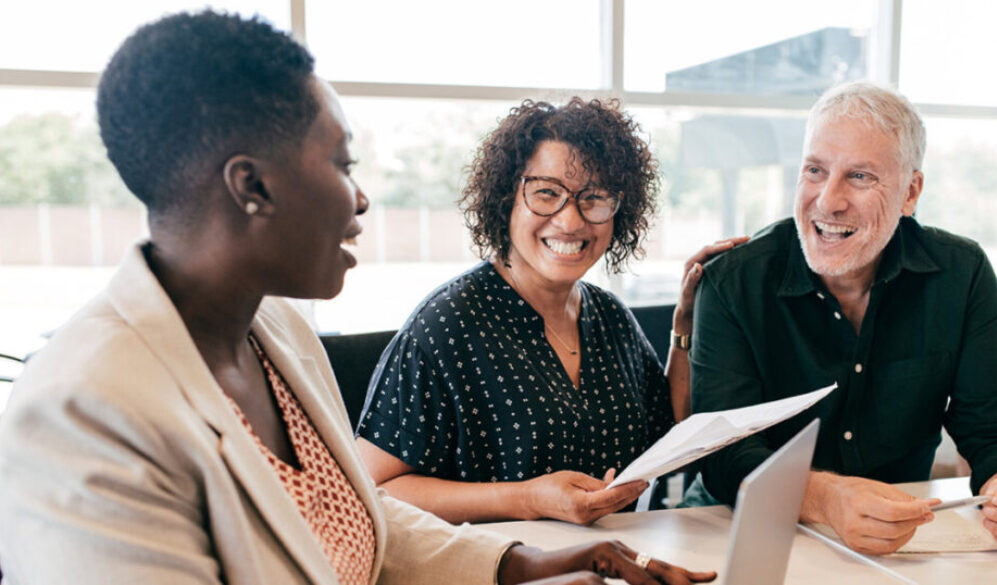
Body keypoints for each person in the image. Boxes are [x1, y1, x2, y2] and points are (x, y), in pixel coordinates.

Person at [0, 11, 717, 585]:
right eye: (342, 163)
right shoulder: (82, 410)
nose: (362, 196)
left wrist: (526, 562)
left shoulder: (271, 328)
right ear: (252, 186)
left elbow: (354, 515)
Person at [356, 97, 746, 525]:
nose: (571, 221)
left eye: (594, 198)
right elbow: (374, 489)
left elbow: (669, 431)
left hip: (609, 561)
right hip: (496, 567)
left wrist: (685, 324)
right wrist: (526, 499)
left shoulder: (609, 317)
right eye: (547, 193)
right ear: (507, 199)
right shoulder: (446, 327)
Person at [689, 80, 997, 558]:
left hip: (898, 542)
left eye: (860, 177)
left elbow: (995, 431)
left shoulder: (963, 273)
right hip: (736, 532)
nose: (828, 200)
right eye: (814, 170)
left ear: (910, 193)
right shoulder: (732, 283)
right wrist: (826, 498)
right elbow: (726, 455)